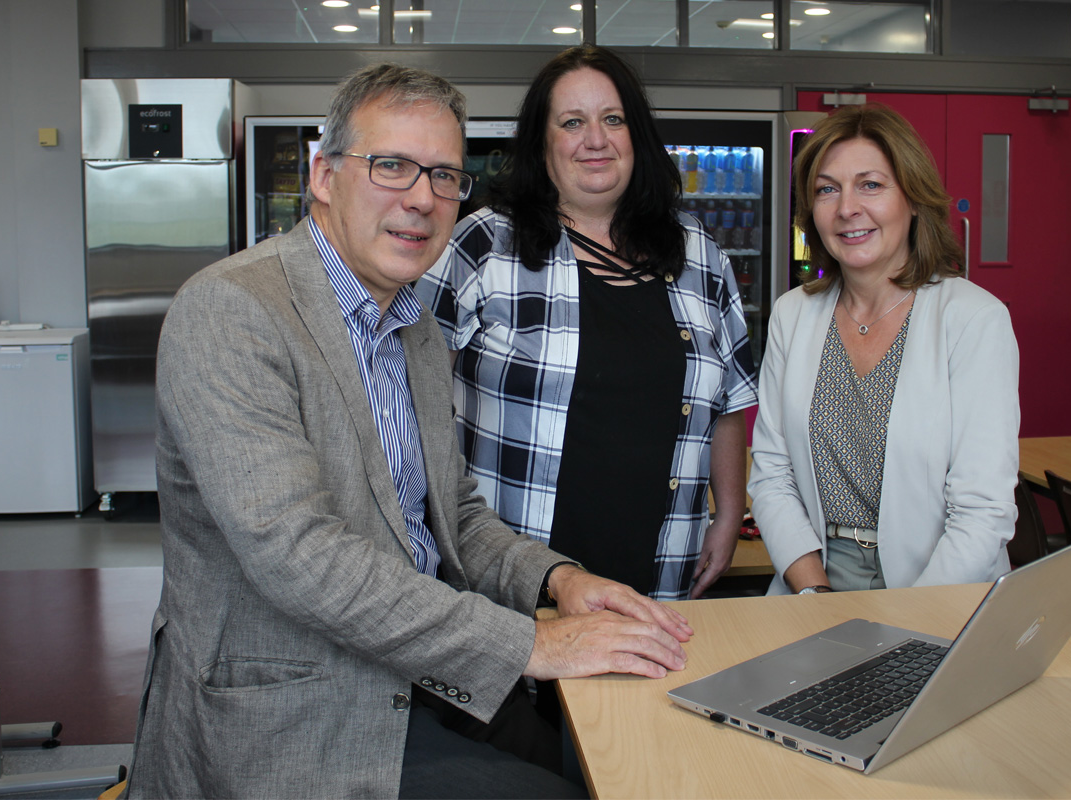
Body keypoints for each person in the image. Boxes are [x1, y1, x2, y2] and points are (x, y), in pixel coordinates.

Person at [124, 62, 695, 800]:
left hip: (420, 674)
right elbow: (300, 557)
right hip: (298, 709)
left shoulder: (414, 325)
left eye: (445, 176)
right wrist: (534, 640)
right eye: (392, 166)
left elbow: (452, 514)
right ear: (324, 174)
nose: (422, 199)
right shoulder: (231, 310)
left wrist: (561, 579)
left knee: (612, 762)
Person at [416, 45, 757, 601]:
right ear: (542, 143)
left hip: (662, 570)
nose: (594, 140)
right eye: (572, 122)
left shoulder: (699, 252)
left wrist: (727, 514)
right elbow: (414, 402)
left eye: (613, 119)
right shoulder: (482, 245)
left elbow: (727, 405)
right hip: (516, 583)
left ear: (636, 136)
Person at [748, 103, 1020, 596]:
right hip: (815, 583)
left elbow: (984, 511)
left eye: (870, 184)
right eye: (827, 189)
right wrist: (814, 595)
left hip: (942, 591)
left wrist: (908, 626)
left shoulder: (973, 319)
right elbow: (772, 475)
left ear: (913, 198)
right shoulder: (793, 315)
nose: (847, 207)